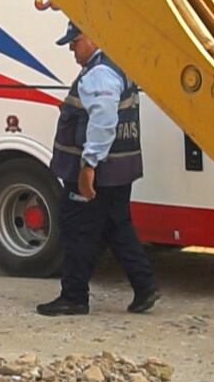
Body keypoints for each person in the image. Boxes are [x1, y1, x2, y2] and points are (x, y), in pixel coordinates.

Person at [37, 22, 159, 316]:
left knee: (77, 230)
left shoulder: (99, 73)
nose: (71, 48)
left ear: (92, 37)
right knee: (117, 227)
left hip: (99, 172)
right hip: (121, 169)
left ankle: (74, 297)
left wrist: (88, 165)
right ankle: (145, 287)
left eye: (74, 42)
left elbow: (104, 121)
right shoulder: (117, 67)